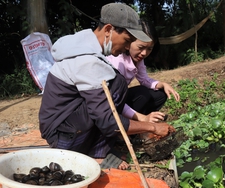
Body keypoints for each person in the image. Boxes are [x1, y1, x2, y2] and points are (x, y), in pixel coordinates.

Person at [39, 3, 176, 170]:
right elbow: (108, 121)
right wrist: (152, 126)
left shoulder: (85, 45)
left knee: (114, 86)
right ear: (109, 30)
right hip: (62, 136)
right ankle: (96, 155)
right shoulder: (86, 60)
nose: (127, 47)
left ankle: (97, 149)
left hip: (65, 125)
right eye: (127, 41)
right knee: (116, 85)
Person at [106, 20, 180, 124]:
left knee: (160, 95)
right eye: (141, 47)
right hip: (110, 103)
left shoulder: (137, 59)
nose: (144, 53)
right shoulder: (118, 62)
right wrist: (143, 118)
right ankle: (132, 125)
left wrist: (162, 84)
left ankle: (143, 123)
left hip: (120, 97)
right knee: (142, 93)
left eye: (149, 49)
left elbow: (144, 79)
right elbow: (113, 99)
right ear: (128, 42)